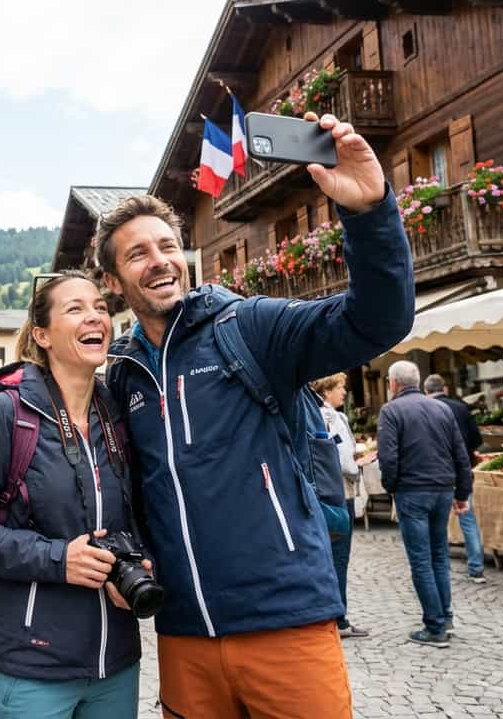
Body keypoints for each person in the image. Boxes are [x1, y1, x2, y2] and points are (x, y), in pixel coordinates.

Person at [97, 112, 413, 717]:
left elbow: (377, 321)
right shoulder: (123, 375)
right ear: (114, 281)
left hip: (284, 620)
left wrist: (370, 213)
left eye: (167, 246)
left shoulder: (251, 326)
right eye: (137, 255)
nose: (159, 261)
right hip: (185, 632)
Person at [0, 272, 146, 719]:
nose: (95, 316)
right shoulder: (5, 414)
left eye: (100, 308)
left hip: (116, 666)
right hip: (32, 667)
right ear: (42, 335)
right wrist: (58, 559)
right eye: (75, 309)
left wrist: (142, 561)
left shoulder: (118, 415)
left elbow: (139, 516)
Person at [377, 361, 473, 648]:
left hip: (413, 490)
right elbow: (460, 453)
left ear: (394, 383)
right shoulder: (442, 409)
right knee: (439, 556)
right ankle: (445, 616)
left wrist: (391, 487)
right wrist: (462, 493)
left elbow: (388, 457)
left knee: (421, 560)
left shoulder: (391, 411)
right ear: (416, 381)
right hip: (443, 489)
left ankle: (434, 626)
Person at [312, 373, 369, 639]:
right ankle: (340, 619)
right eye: (340, 387)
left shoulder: (316, 413)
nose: (344, 392)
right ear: (327, 391)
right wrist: (359, 464)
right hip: (339, 490)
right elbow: (344, 458)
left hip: (324, 492)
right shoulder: (333, 417)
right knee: (339, 558)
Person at [424, 373, 487, 584]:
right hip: (462, 470)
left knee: (435, 521)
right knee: (467, 519)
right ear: (446, 389)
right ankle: (477, 568)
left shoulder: (424, 409)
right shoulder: (460, 407)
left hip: (435, 472)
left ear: (426, 391)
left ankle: (439, 568)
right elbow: (476, 439)